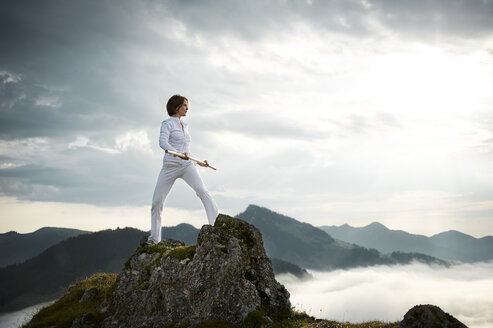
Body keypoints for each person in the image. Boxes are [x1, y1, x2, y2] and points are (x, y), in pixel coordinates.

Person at [147, 94, 219, 244]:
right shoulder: (167, 124)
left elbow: (187, 151)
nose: (187, 108)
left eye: (187, 106)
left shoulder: (185, 126)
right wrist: (179, 154)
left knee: (203, 192)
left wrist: (200, 162)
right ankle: (154, 239)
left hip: (186, 166)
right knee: (157, 201)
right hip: (170, 166)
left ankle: (217, 227)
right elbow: (162, 143)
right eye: (185, 105)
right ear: (176, 107)